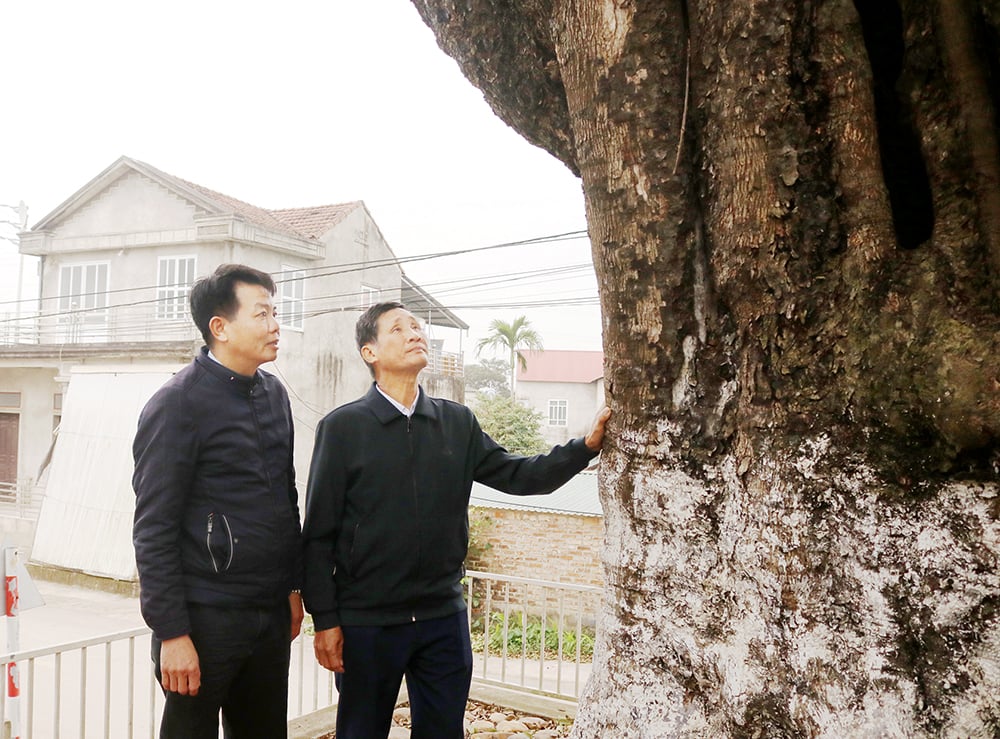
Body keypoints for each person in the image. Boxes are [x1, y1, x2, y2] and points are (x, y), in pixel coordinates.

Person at [301, 301, 610, 739]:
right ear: (370, 352)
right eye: (399, 329)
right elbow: (318, 534)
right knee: (360, 732)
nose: (415, 334)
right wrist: (326, 620)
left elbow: (519, 475)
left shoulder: (456, 422)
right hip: (367, 622)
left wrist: (583, 448)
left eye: (417, 326)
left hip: (441, 617)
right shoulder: (344, 428)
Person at [132, 263, 304, 739]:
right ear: (220, 327)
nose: (275, 325)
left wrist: (292, 586)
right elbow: (153, 527)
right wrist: (172, 633)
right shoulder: (177, 403)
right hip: (204, 621)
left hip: (268, 615)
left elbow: (284, 496)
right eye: (263, 313)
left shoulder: (273, 394)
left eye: (276, 312)